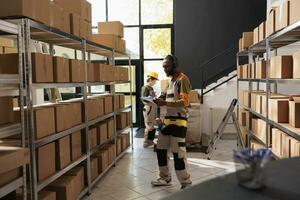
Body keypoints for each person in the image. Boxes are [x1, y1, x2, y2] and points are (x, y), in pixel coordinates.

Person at [151, 55, 192, 189]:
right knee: (160, 149)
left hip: (179, 122)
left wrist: (165, 102)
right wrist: (156, 99)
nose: (164, 69)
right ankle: (165, 177)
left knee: (178, 153)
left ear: (174, 65)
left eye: (167, 66)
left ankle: (186, 182)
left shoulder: (183, 79)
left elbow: (185, 102)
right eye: (163, 67)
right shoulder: (170, 81)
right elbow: (164, 96)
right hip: (167, 120)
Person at [141, 72, 159, 148]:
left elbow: (153, 97)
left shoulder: (150, 88)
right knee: (149, 125)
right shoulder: (145, 88)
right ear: (150, 79)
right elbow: (143, 99)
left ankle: (150, 141)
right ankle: (146, 143)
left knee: (152, 125)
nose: (155, 82)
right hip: (149, 108)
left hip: (152, 107)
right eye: (155, 81)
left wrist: (155, 98)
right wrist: (151, 98)